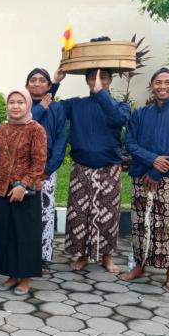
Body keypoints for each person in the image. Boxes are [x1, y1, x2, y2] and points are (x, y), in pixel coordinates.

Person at [120, 67, 169, 292]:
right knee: (140, 224)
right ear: (152, 86)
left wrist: (157, 171)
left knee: (168, 226)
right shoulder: (140, 114)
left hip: (168, 178)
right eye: (158, 82)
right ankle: (139, 267)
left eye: (167, 82)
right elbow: (130, 143)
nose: (163, 86)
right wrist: (152, 160)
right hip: (141, 176)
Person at [62, 64, 130, 273]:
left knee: (108, 214)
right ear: (86, 81)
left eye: (103, 78)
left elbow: (119, 120)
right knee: (79, 213)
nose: (97, 81)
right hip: (81, 167)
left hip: (109, 168)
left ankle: (107, 256)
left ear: (110, 80)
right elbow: (51, 108)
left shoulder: (120, 106)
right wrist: (55, 82)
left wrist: (101, 94)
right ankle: (82, 255)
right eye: (92, 78)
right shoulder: (76, 104)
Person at [0, 88, 47, 296]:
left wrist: (23, 185)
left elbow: (39, 162)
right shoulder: (0, 130)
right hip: (2, 190)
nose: (16, 106)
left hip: (26, 193)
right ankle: (11, 275)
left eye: (20, 102)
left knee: (25, 235)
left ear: (28, 104)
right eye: (12, 102)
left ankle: (25, 278)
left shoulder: (36, 129)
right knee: (5, 234)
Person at [25, 68, 68, 274]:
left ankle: (43, 257)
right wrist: (41, 108)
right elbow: (23, 125)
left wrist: (50, 168)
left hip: (46, 171)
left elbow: (61, 138)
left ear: (49, 86)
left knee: (45, 215)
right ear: (26, 85)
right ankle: (22, 255)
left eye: (42, 80)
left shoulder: (57, 108)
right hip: (22, 171)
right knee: (24, 215)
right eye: (33, 80)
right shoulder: (21, 104)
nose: (37, 83)